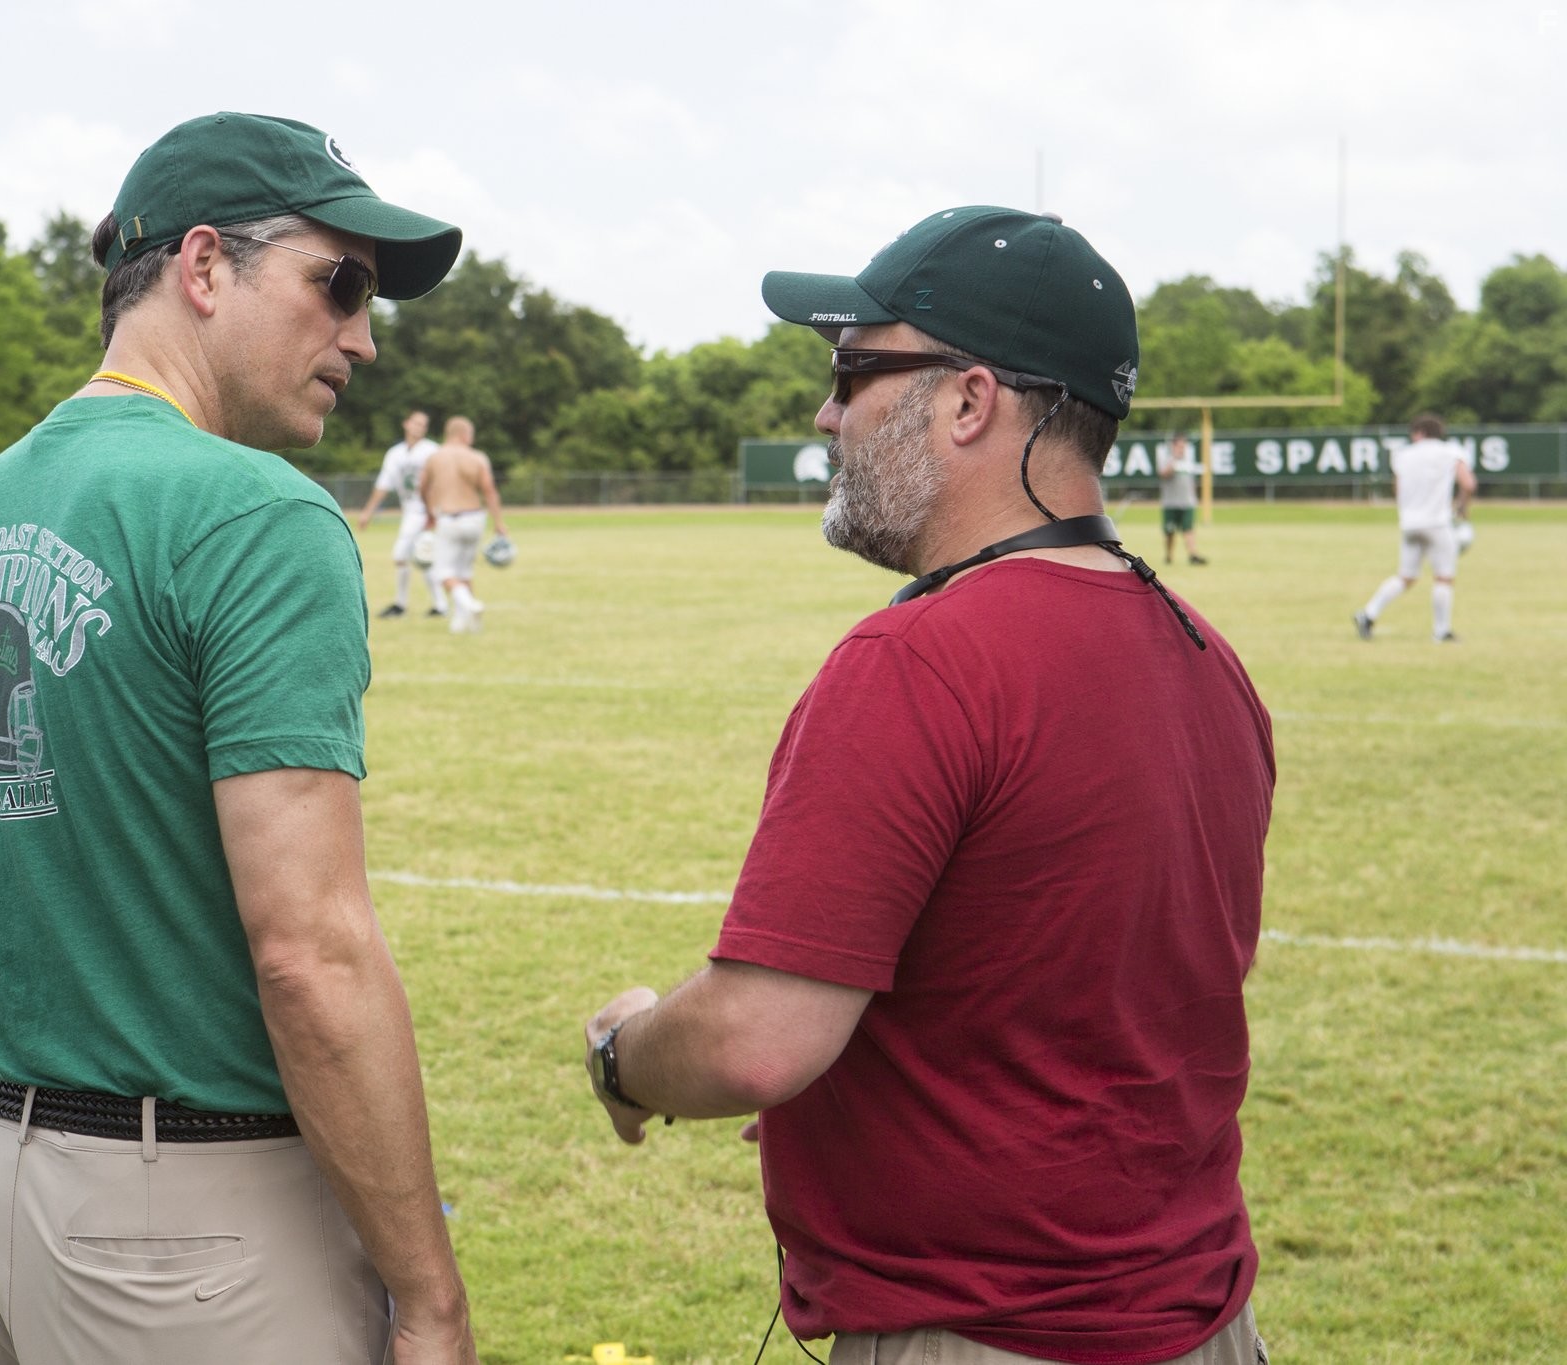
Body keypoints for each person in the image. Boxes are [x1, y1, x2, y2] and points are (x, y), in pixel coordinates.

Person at [579, 207, 1274, 1365]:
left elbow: (755, 1040)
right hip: (1203, 1320)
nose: (824, 411)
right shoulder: (1203, 651)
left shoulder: (918, 661)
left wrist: (623, 1052)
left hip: (986, 1335)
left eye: (853, 370)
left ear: (968, 402)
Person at [0, 112, 475, 1365]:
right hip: (190, 1232)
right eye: (338, 283)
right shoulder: (256, 512)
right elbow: (309, 955)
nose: (363, 337)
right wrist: (428, 1296)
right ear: (204, 267)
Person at [1353, 412, 1476, 642]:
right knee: (1444, 577)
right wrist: (1461, 507)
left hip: (1409, 523)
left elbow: (1398, 490)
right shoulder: (1451, 451)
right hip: (1438, 523)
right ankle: (1441, 631)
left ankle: (1368, 615)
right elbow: (1468, 483)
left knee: (1405, 577)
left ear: (1419, 433)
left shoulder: (1403, 455)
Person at [418, 417, 507, 633]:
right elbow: (489, 491)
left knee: (442, 573)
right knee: (464, 572)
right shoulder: (477, 457)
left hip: (449, 519)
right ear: (464, 434)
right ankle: (465, 622)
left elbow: (422, 487)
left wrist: (430, 512)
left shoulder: (435, 457)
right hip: (475, 518)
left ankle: (469, 605)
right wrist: (499, 522)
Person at [358, 409, 447, 617]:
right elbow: (383, 484)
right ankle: (438, 605)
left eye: (424, 424)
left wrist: (434, 512)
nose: (419, 427)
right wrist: (368, 512)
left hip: (428, 511)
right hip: (411, 511)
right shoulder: (395, 453)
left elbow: (443, 482)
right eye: (416, 423)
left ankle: (402, 604)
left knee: (404, 554)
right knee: (424, 557)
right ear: (406, 424)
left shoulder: (432, 450)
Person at [1159, 431, 1207, 564]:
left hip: (1187, 502)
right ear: (1173, 446)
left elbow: (1191, 481)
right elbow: (1164, 474)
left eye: (1184, 446)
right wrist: (1174, 459)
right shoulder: (1167, 460)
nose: (1182, 449)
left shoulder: (1188, 461)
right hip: (1171, 503)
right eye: (1180, 446)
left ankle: (1193, 555)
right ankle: (1169, 556)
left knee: (1188, 529)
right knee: (1170, 531)